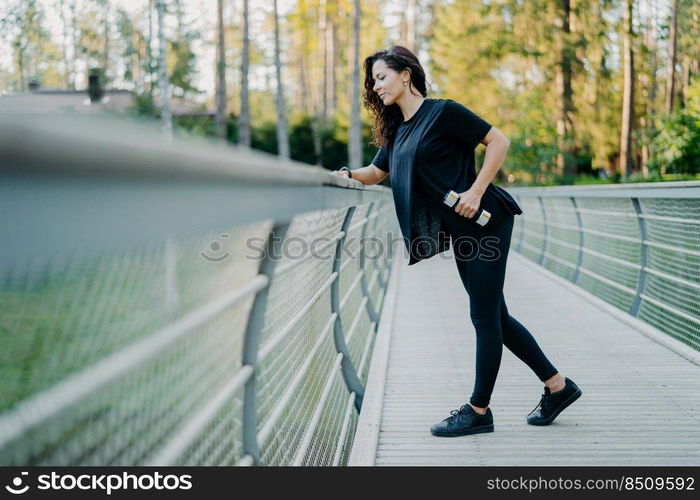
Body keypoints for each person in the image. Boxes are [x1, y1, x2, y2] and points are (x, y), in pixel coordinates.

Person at [331, 45, 582, 437]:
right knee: (495, 315)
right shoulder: (398, 129)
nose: (375, 86)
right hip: (462, 231)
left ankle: (478, 411)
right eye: (372, 81)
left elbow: (499, 141)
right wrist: (343, 175)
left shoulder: (443, 112)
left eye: (381, 77)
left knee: (483, 317)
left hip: (487, 222)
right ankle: (558, 387)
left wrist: (476, 191)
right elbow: (377, 173)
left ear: (405, 75)